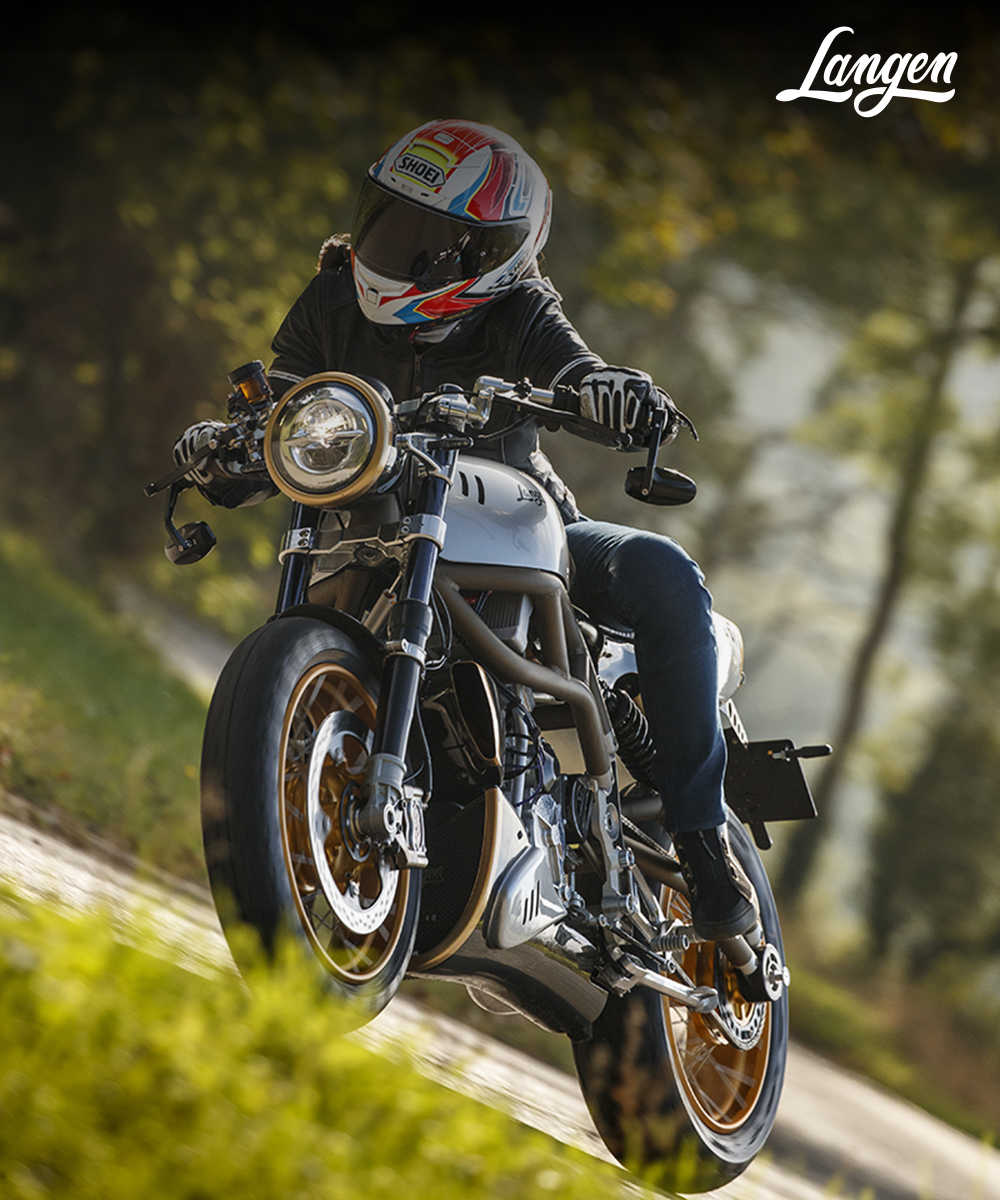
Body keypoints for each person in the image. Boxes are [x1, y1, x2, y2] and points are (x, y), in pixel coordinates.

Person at [175, 119, 755, 941]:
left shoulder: (520, 308)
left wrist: (607, 393)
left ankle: (702, 848)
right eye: (392, 223)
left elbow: (571, 366)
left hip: (524, 529)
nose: (398, 250)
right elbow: (285, 400)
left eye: (430, 241)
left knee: (664, 573)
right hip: (380, 536)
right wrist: (229, 442)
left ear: (490, 255)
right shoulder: (335, 295)